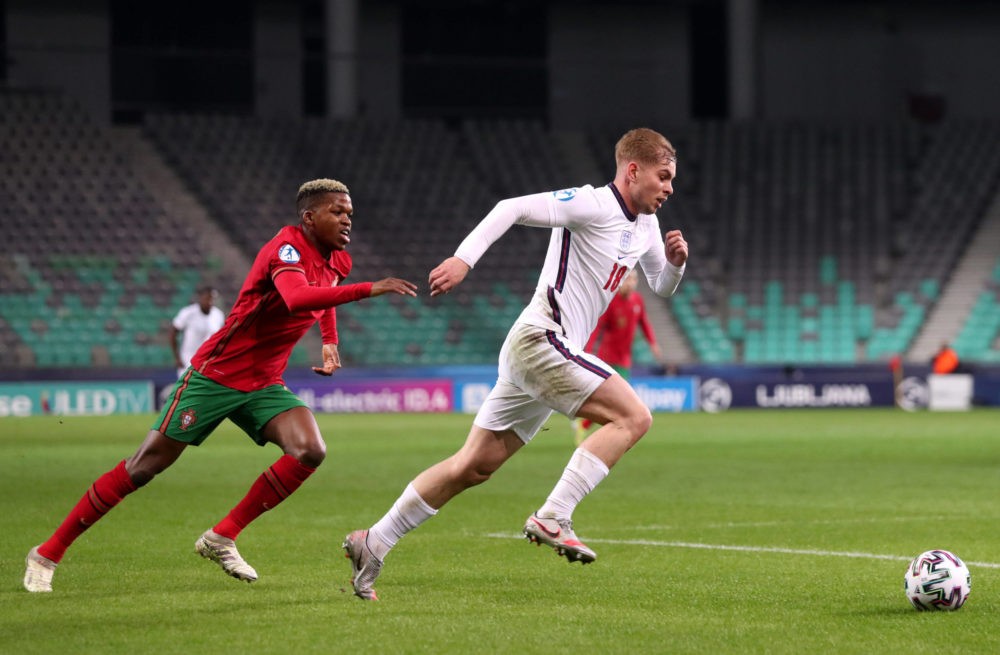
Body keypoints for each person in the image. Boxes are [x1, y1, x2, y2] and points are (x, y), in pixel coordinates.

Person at [343, 127, 688, 600]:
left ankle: (374, 540)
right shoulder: (591, 205)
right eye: (663, 176)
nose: (669, 187)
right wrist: (463, 260)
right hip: (542, 338)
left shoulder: (646, 227)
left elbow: (662, 286)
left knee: (474, 466)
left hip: (540, 350)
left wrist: (674, 265)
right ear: (633, 170)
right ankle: (554, 514)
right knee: (634, 416)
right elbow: (512, 208)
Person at [23, 179, 418, 593]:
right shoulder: (285, 249)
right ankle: (47, 553)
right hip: (218, 374)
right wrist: (373, 289)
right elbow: (299, 298)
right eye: (337, 212)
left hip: (264, 381)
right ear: (308, 217)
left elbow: (324, 298)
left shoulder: (339, 260)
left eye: (349, 214)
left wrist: (331, 341)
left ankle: (221, 536)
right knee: (143, 467)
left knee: (309, 450)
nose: (346, 220)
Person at [573, 269, 661, 444]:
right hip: (608, 358)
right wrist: (586, 351)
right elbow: (597, 328)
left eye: (633, 279)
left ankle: (584, 425)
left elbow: (644, 323)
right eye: (627, 279)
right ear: (620, 281)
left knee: (617, 402)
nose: (630, 282)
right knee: (618, 402)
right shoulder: (611, 301)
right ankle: (594, 429)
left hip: (625, 359)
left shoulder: (637, 301)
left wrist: (652, 342)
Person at [170, 285, 226, 379]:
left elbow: (221, 338)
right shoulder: (188, 313)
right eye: (207, 298)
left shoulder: (218, 315)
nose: (210, 302)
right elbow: (173, 333)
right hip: (188, 360)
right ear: (201, 297)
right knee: (187, 390)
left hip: (208, 362)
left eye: (212, 299)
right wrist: (177, 358)